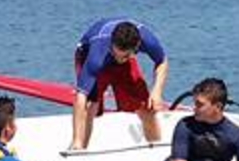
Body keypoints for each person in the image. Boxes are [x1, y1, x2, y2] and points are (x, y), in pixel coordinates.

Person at [71, 17, 169, 149]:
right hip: (91, 54)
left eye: (124, 56)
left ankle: (156, 149)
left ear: (137, 47)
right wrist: (77, 139)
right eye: (116, 53)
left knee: (147, 108)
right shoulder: (96, 55)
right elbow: (80, 97)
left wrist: (157, 91)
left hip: (124, 59)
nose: (118, 59)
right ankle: (79, 147)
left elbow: (162, 61)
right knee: (90, 105)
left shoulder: (148, 41)